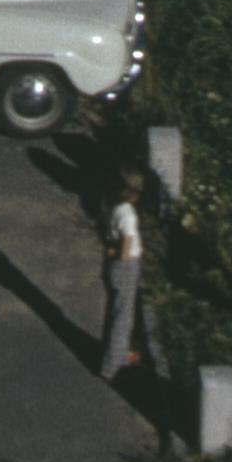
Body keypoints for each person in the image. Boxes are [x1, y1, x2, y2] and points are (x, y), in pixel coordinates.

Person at [96, 163, 147, 386]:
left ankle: (116, 352)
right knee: (123, 318)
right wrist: (119, 253)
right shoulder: (127, 215)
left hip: (111, 266)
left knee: (115, 311)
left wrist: (110, 251)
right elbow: (126, 250)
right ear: (132, 192)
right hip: (125, 267)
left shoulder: (109, 204)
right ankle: (111, 367)